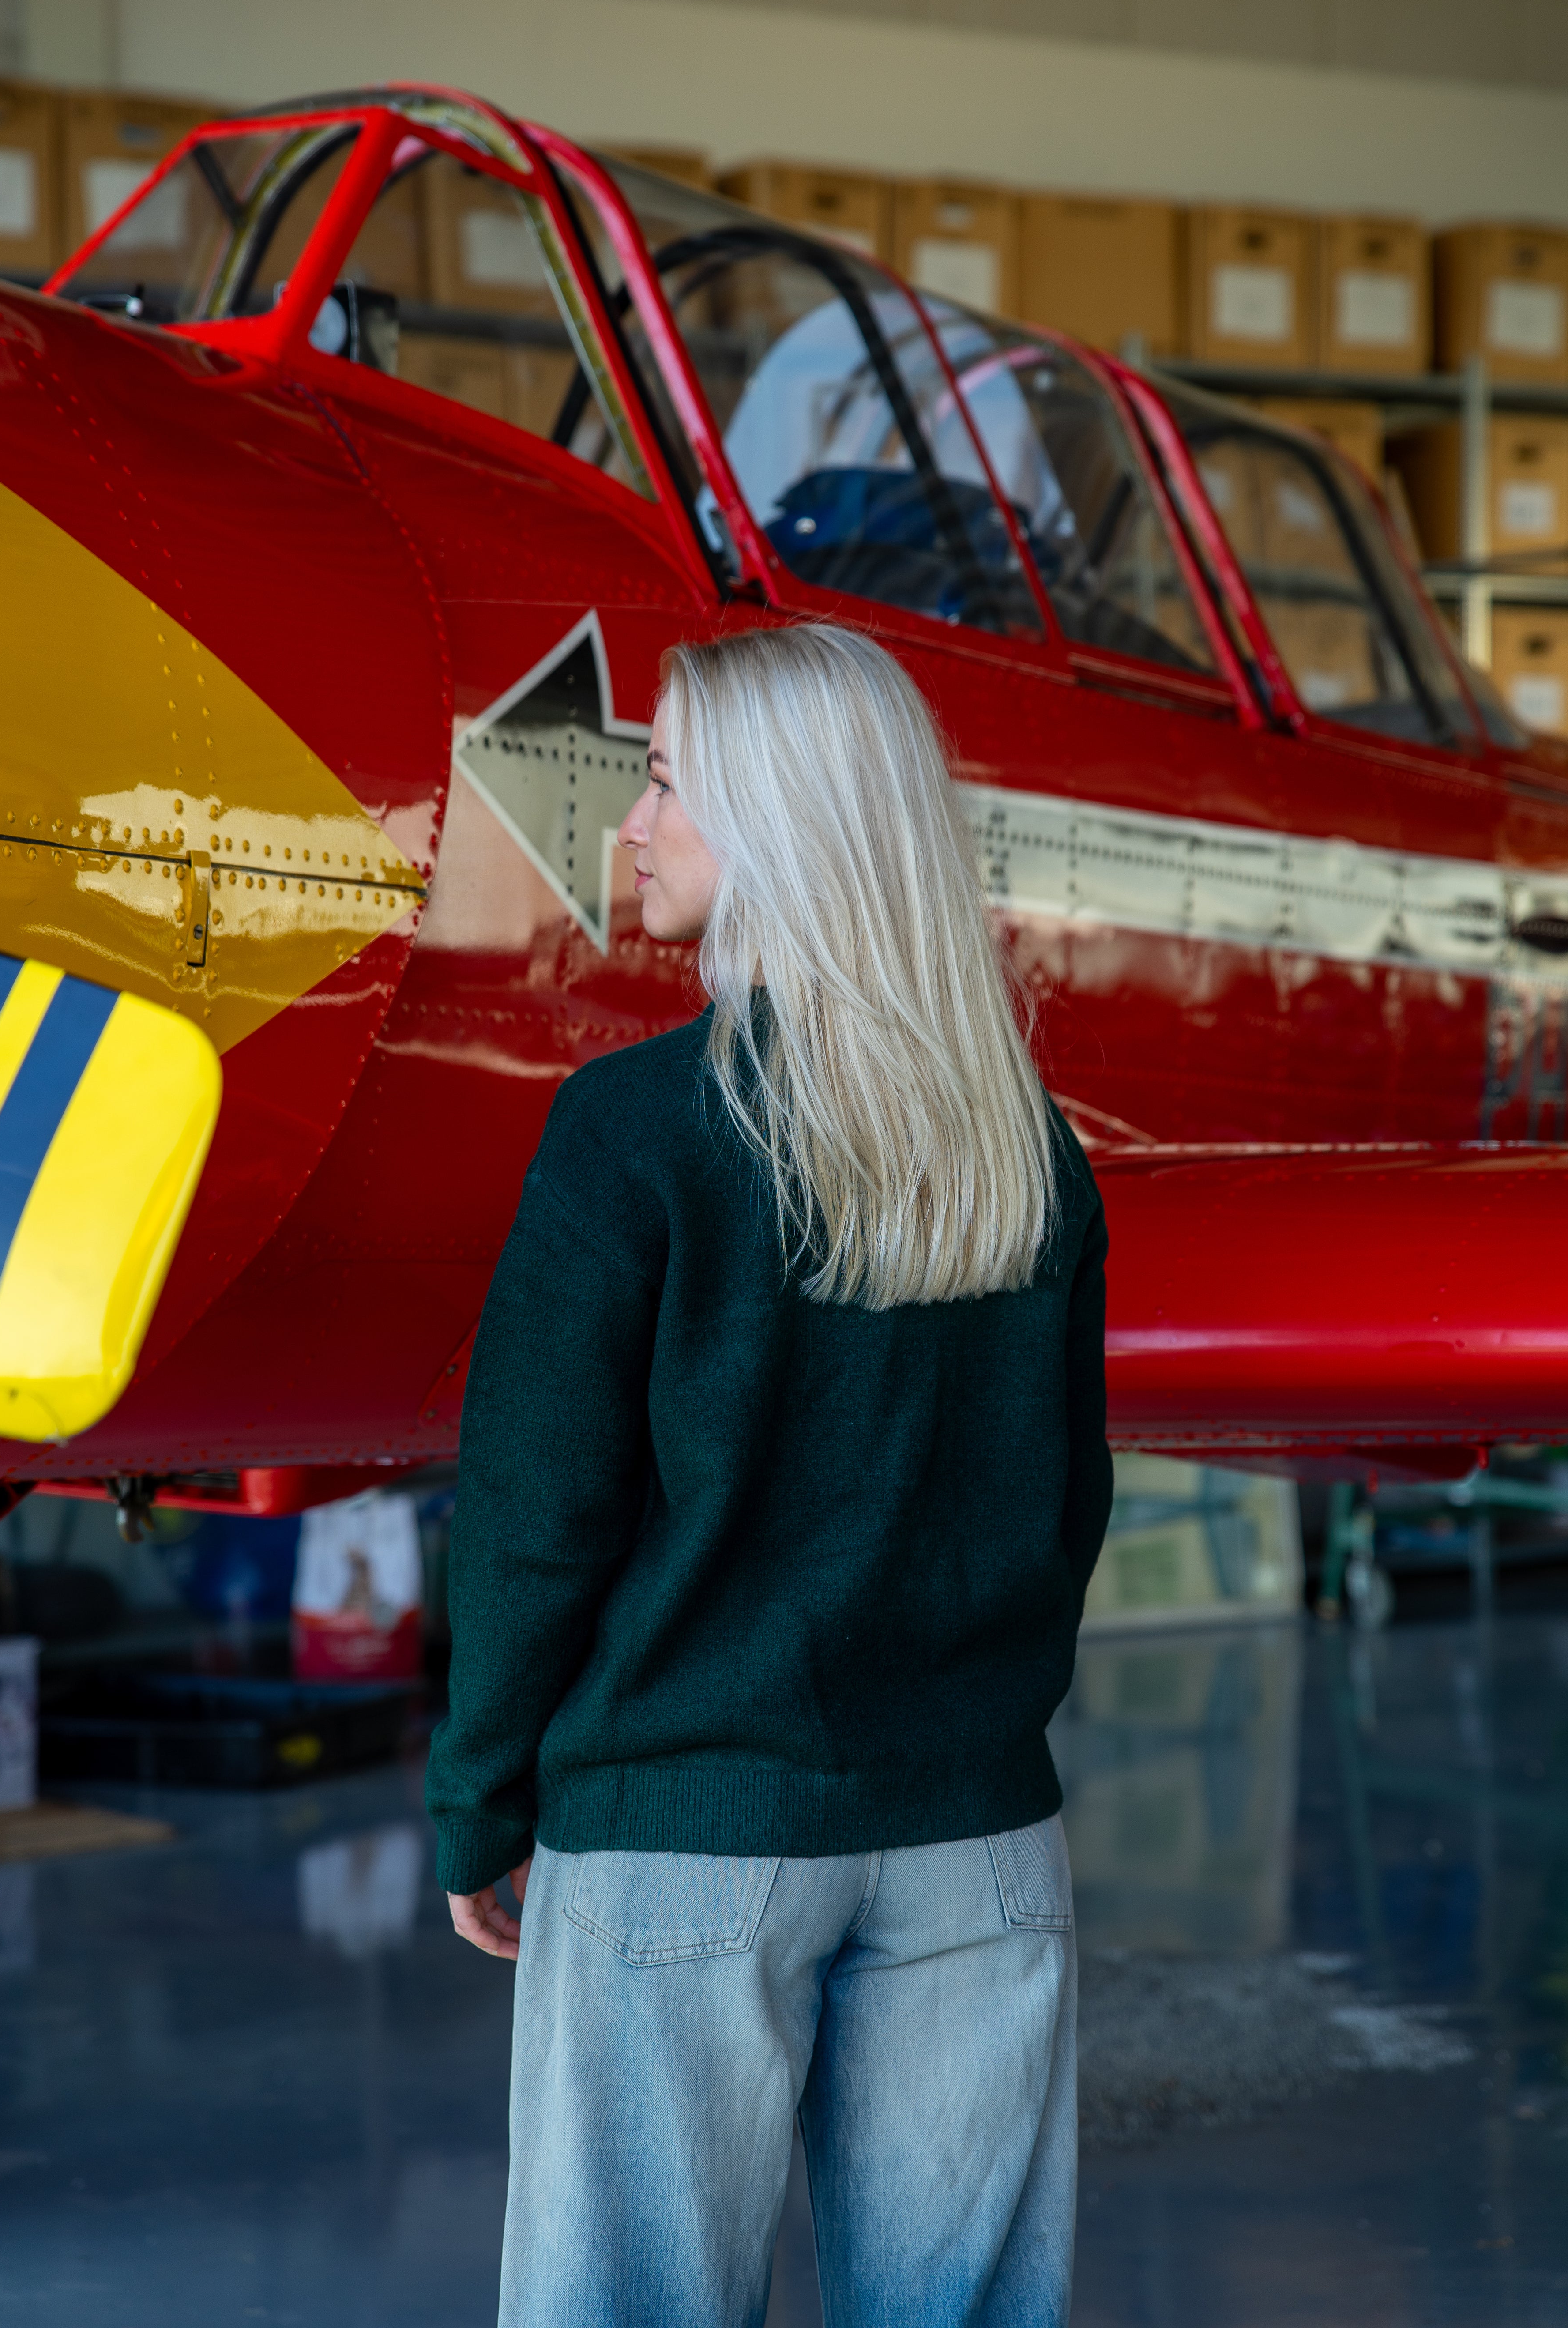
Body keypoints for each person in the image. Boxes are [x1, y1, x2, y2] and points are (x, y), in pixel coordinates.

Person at [427, 621, 1113, 2328]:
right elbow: (1064, 1502)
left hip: (684, 1837)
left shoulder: (632, 1131)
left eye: (667, 781)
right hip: (979, 1840)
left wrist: (480, 1798)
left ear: (780, 821)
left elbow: (533, 1517)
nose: (632, 825)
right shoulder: (1028, 1149)